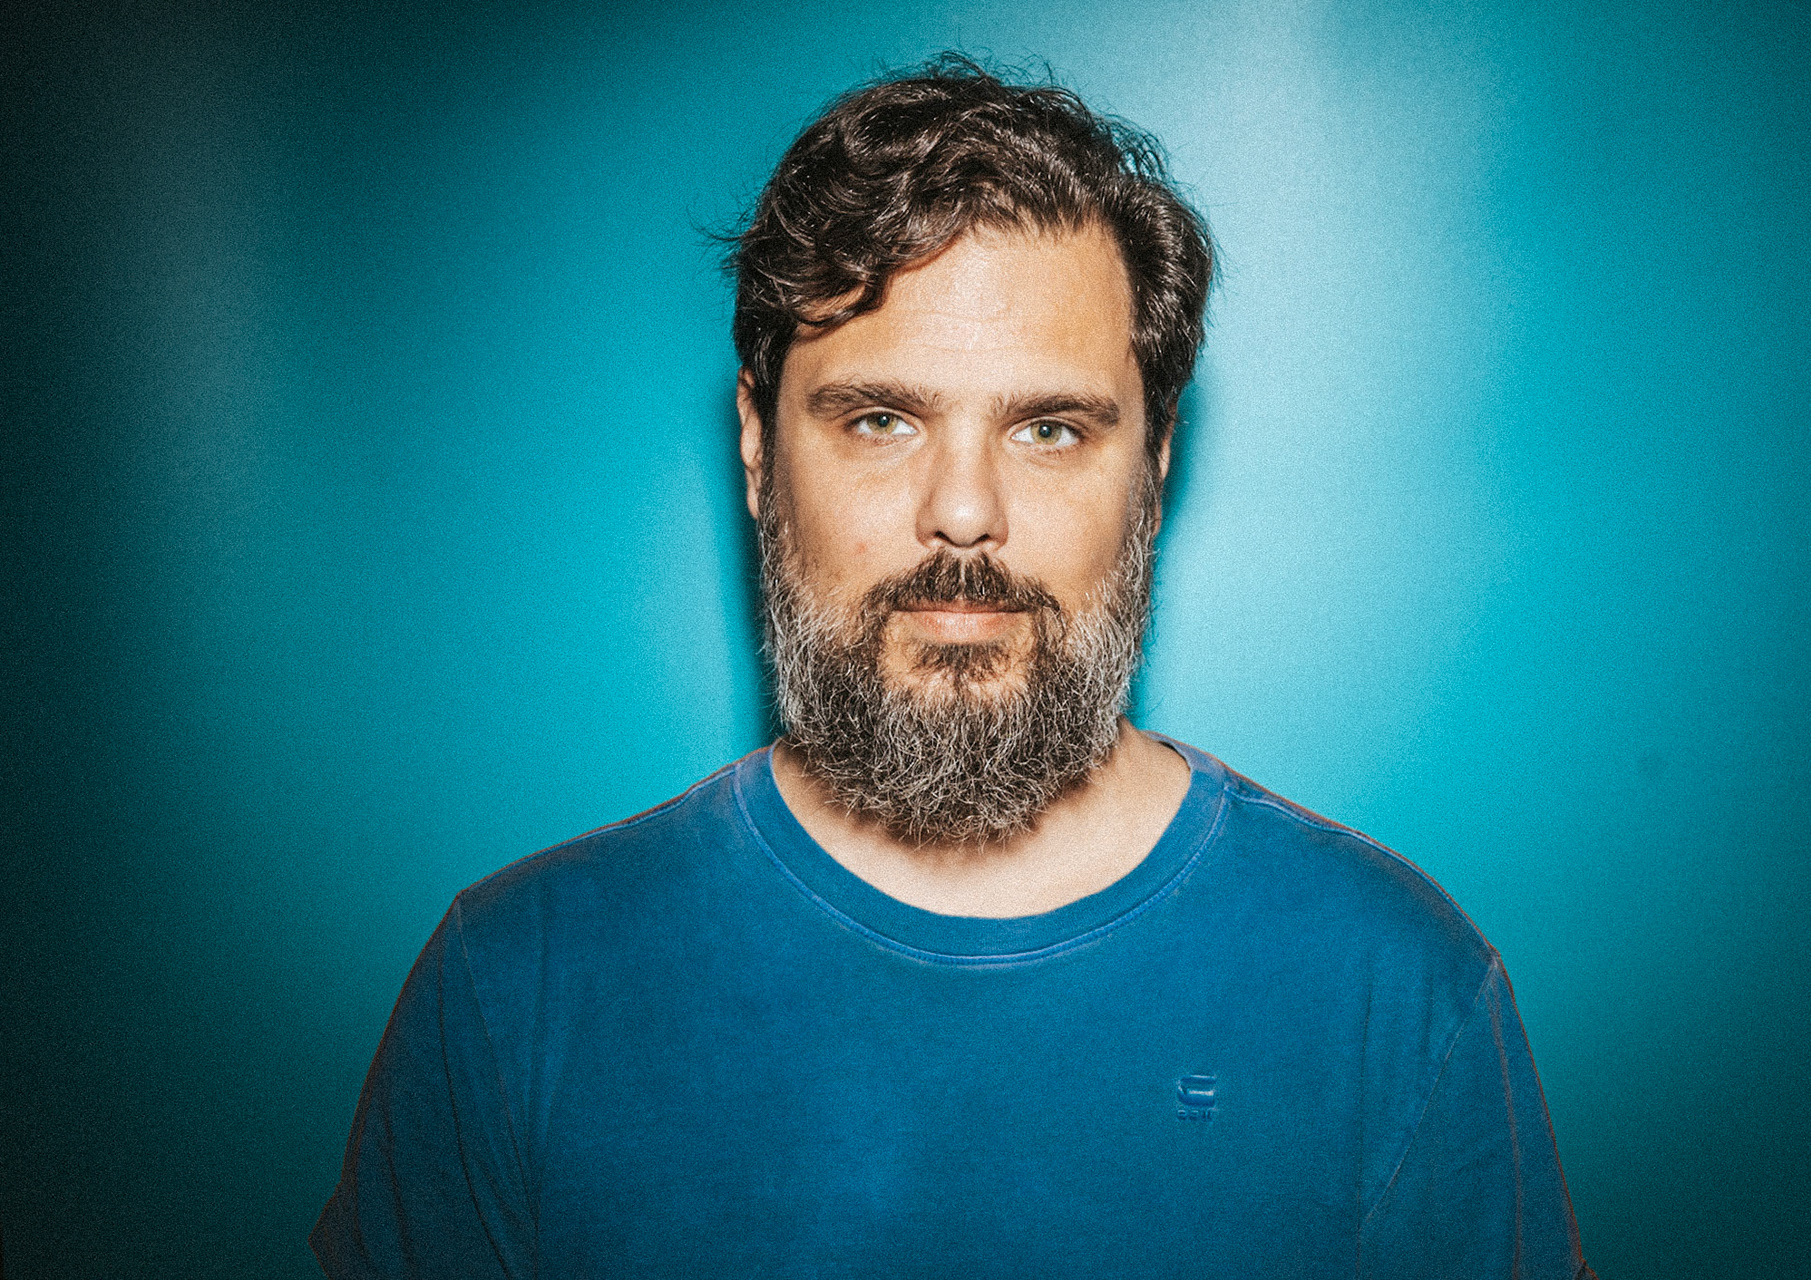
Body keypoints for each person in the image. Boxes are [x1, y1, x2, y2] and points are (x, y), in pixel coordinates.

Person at [312, 56, 1595, 1279]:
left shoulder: (1393, 989)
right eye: (881, 419)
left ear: (1152, 467)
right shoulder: (515, 985)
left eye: (1050, 429)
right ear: (758, 446)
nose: (965, 513)